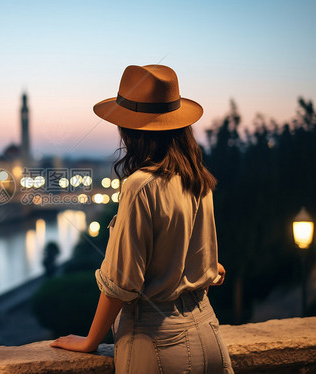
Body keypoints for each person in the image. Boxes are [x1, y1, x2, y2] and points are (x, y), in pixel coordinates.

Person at [50, 65, 233, 373]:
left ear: (131, 131)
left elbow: (122, 283)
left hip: (158, 345)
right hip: (209, 334)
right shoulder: (198, 180)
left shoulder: (139, 187)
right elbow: (207, 266)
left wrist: (89, 342)